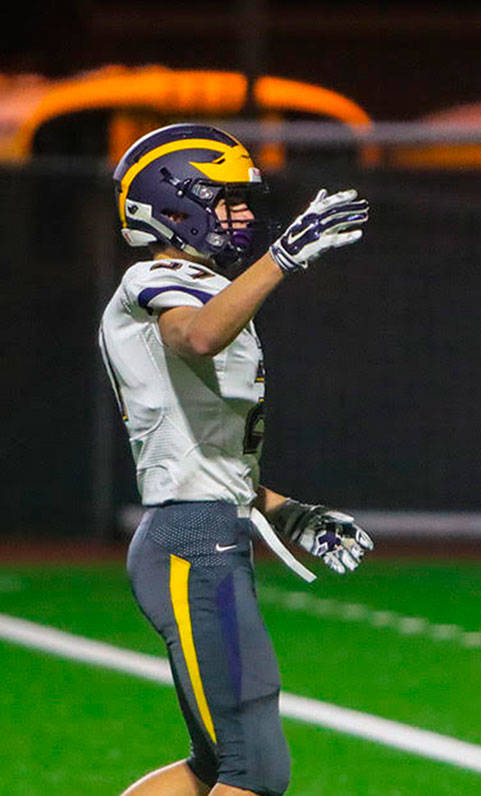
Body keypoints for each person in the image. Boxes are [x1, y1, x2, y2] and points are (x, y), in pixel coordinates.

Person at [98, 123, 375, 796]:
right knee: (256, 767)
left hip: (207, 531)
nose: (245, 214)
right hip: (191, 543)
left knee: (216, 766)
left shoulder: (198, 283)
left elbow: (208, 460)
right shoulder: (157, 278)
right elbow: (194, 335)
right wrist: (281, 258)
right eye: (229, 199)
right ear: (175, 206)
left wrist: (286, 511)